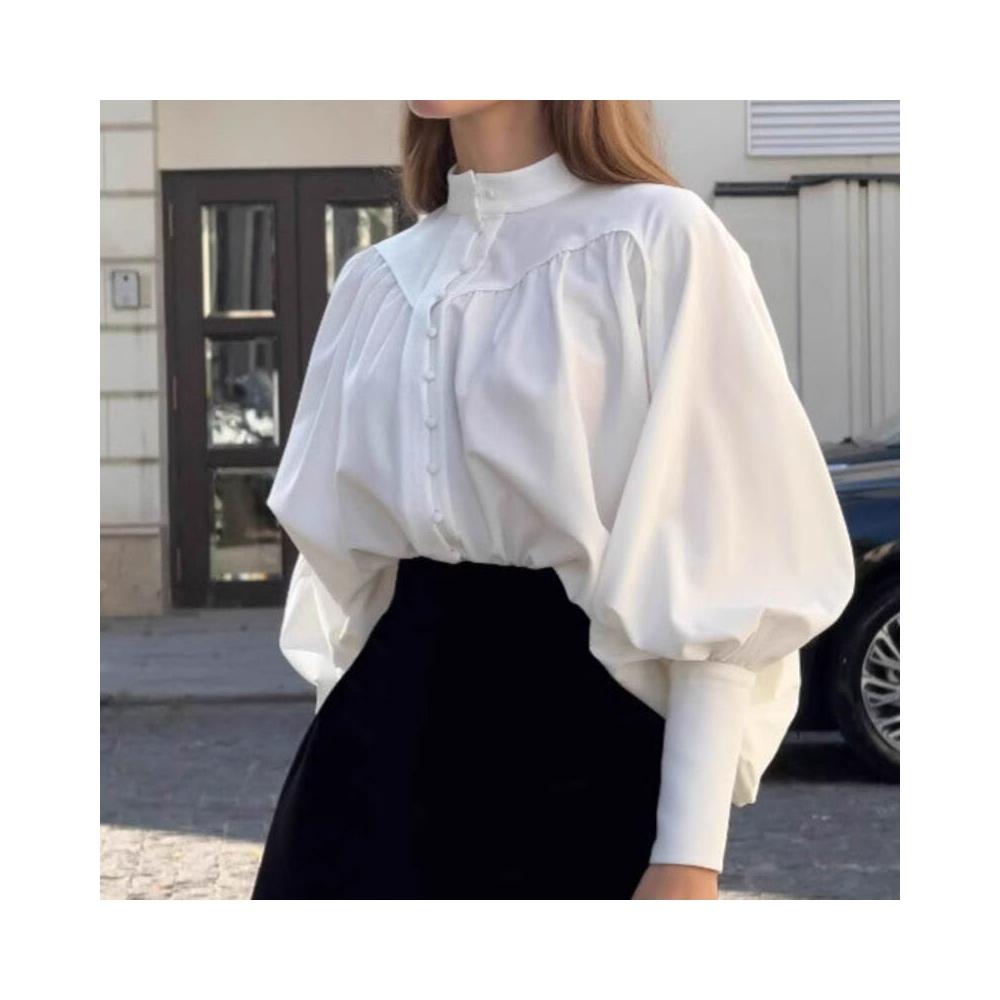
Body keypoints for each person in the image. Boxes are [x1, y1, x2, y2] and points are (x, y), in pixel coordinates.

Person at [250, 100, 856, 900]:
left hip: (583, 747)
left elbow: (722, 557)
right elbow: (347, 589)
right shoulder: (375, 282)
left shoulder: (657, 238)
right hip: (370, 751)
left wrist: (689, 850)